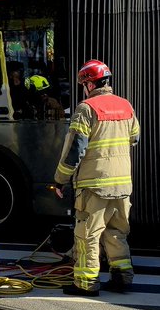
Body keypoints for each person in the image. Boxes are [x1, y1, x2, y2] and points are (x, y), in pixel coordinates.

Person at [52, 59, 141, 296]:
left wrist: (60, 179)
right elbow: (135, 138)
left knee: (87, 235)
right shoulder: (126, 106)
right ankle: (122, 277)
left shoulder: (86, 108)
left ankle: (86, 283)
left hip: (94, 185)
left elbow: (74, 149)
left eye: (84, 84)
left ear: (90, 84)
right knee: (117, 232)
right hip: (123, 184)